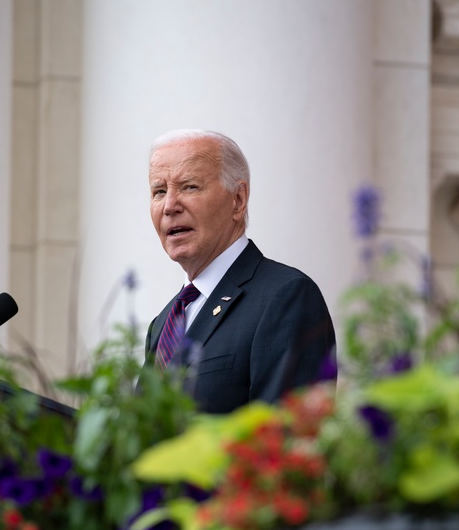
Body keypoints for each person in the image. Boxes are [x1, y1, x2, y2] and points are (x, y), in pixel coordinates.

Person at [144, 129, 336, 414]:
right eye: (159, 191)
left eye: (189, 187)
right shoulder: (163, 323)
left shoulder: (285, 297)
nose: (170, 206)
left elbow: (284, 440)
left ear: (238, 199)